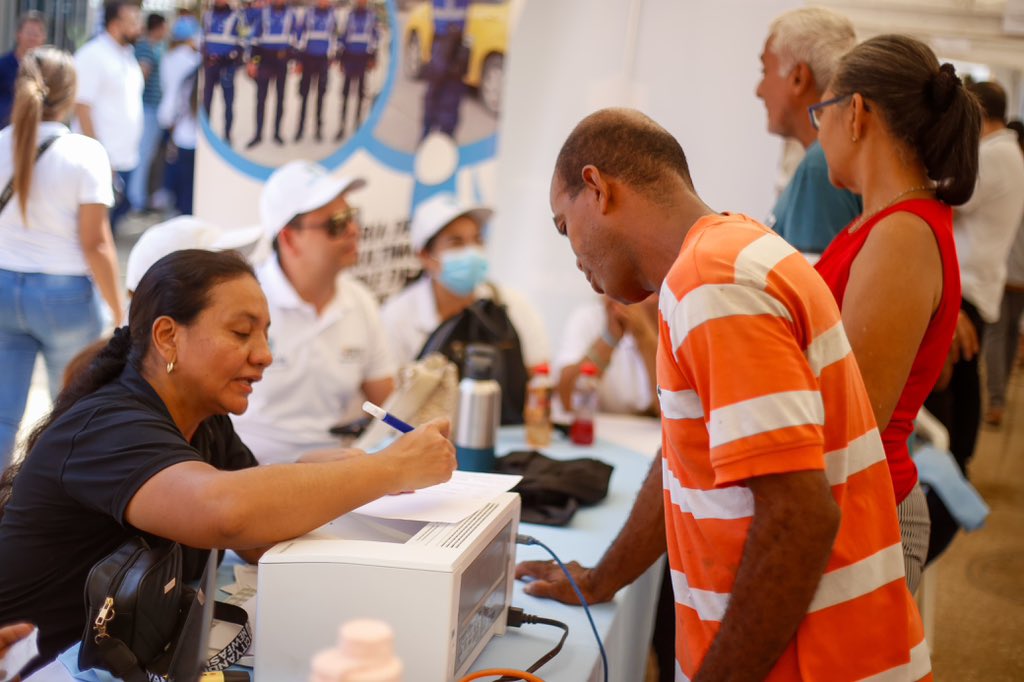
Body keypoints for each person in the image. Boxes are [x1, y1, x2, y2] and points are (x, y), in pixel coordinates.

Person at [519, 108, 929, 680]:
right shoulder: (734, 253)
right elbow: (684, 459)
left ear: (597, 189)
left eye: (566, 227)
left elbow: (799, 516)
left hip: (813, 662)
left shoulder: (712, 284)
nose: (576, 255)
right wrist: (601, 577)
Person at [0, 249, 456, 674]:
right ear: (167, 336)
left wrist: (332, 471)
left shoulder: (205, 422)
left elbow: (259, 533)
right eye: (241, 333)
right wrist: (385, 469)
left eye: (264, 334)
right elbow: (227, 514)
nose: (264, 355)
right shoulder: (107, 426)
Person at [811, 35, 981, 591]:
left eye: (822, 112)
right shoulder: (882, 222)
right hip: (848, 503)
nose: (818, 131)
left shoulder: (901, 234)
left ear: (855, 113)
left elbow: (854, 418)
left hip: (862, 510)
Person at [0, 46, 124, 467]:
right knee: (73, 413)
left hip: (3, 286)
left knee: (2, 416)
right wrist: (118, 309)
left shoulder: (1, 143)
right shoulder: (86, 154)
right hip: (64, 296)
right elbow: (96, 243)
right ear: (71, 95)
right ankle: (60, 506)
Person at [231, 161, 396, 464]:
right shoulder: (241, 299)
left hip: (336, 472)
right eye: (336, 223)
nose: (353, 230)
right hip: (249, 476)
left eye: (352, 217)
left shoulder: (361, 301)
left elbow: (388, 404)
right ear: (289, 238)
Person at [923, 79, 1024, 560]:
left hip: (966, 294)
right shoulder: (1008, 154)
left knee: (949, 401)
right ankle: (955, 477)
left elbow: (954, 195)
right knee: (962, 392)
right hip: (975, 289)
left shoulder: (998, 155)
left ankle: (948, 492)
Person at [380, 192, 550, 370]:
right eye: (456, 243)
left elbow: (540, 374)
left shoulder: (511, 304)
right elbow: (392, 394)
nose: (471, 251)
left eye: (477, 239)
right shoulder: (396, 319)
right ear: (424, 255)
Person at [756, 7, 862, 257]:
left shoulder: (821, 167)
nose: (758, 90)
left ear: (798, 79)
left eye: (764, 71)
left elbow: (812, 292)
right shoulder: (824, 161)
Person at [73, 1, 144, 230]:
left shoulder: (126, 54)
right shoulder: (93, 55)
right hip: (102, 161)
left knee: (108, 228)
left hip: (124, 158)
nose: (139, 27)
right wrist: (100, 156)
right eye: (133, 22)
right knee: (92, 234)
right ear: (115, 25)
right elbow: (82, 107)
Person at [554, 294, 659, 417]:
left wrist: (644, 337)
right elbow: (566, 396)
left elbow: (671, 407)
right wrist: (609, 338)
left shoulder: (672, 317)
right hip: (601, 427)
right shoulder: (588, 318)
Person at [983, 119, 1024, 426]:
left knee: (998, 334)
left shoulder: (1007, 170)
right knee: (1010, 334)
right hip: (1018, 274)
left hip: (1005, 269)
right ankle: (1000, 398)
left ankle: (996, 401)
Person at [158, 16, 203, 216]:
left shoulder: (168, 57)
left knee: (172, 165)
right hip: (184, 122)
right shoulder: (193, 60)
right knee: (185, 177)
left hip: (169, 118)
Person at [126, 13, 168, 214]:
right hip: (147, 110)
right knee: (142, 156)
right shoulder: (145, 47)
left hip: (151, 109)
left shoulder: (154, 47)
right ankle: (136, 200)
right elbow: (141, 77)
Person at [246, 0, 298, 148]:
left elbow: (294, 40)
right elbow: (255, 41)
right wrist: (254, 62)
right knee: (261, 99)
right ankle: (258, 134)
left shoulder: (291, 15)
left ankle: (277, 133)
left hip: (281, 63)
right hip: (265, 62)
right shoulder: (263, 14)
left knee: (280, 99)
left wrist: (294, 61)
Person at [421, 0, 469, 140]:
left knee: (447, 98)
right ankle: (429, 136)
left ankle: (441, 139)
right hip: (442, 45)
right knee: (436, 96)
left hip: (453, 46)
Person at [294, 0, 338, 142]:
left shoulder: (333, 15)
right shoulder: (308, 14)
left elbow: (335, 37)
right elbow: (300, 37)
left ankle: (318, 129)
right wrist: (299, 60)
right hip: (308, 59)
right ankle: (300, 129)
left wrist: (333, 55)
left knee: (320, 96)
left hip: (323, 61)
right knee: (305, 96)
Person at [201, 0, 244, 145]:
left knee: (228, 101)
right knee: (207, 100)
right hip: (211, 66)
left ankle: (227, 134)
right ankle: (206, 134)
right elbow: (203, 39)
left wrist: (235, 62)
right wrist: (205, 57)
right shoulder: (207, 15)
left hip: (227, 66)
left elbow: (243, 42)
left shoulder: (237, 17)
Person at [335, 0, 378, 142]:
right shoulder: (348, 16)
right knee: (345, 94)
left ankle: (358, 125)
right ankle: (342, 127)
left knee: (360, 94)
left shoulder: (372, 17)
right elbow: (341, 38)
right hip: (349, 59)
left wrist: (373, 58)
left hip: (362, 60)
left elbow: (375, 38)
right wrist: (340, 59)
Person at [0, 12, 47, 130]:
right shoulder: (3, 65)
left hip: (36, 132)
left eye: (37, 34)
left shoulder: (47, 69)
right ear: (18, 34)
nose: (33, 38)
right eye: (30, 33)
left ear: (43, 38)